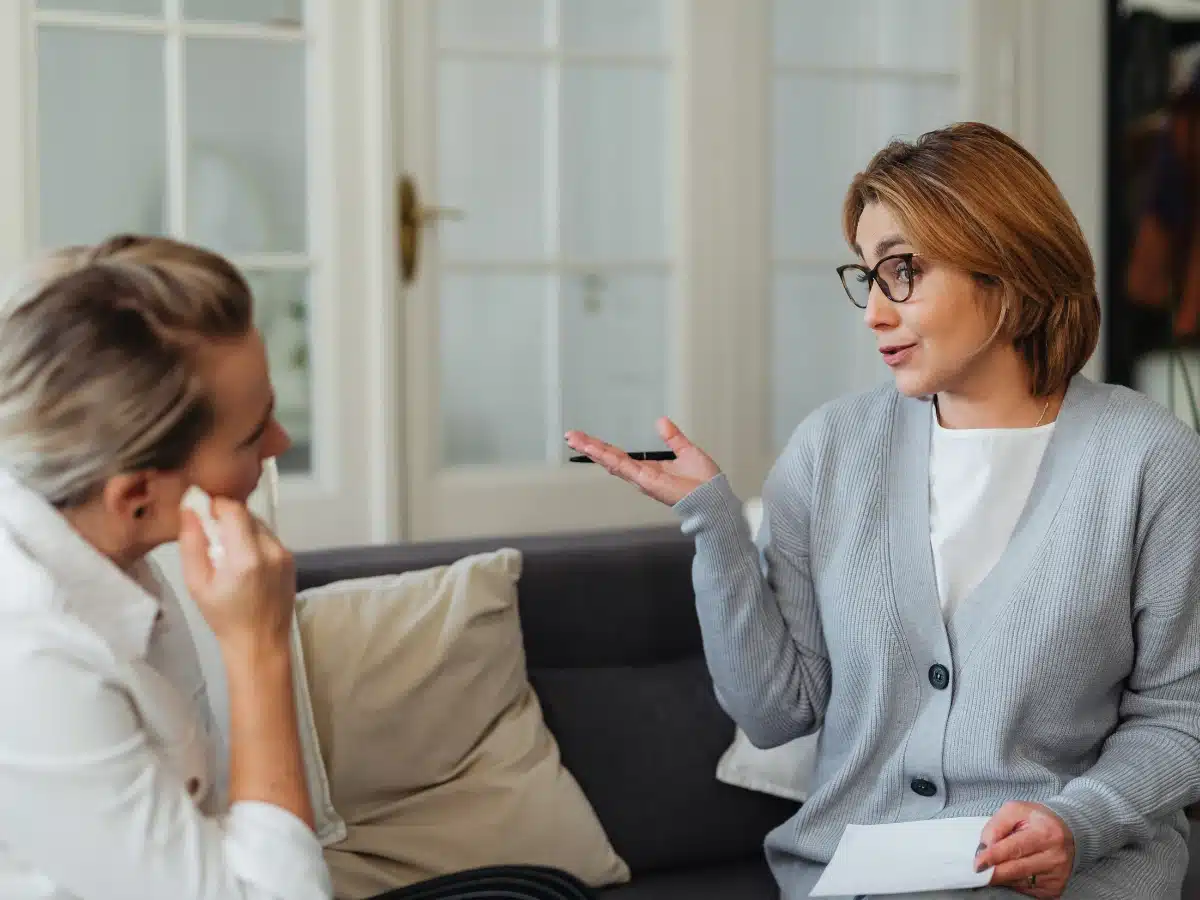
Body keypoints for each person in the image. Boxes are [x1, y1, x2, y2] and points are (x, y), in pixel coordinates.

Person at [566, 121, 1200, 900]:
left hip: (1076, 879)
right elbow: (776, 714)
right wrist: (713, 521)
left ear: (1006, 266)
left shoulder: (1148, 458)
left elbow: (1182, 713)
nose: (873, 311)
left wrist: (1081, 821)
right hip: (860, 880)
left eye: (902, 271)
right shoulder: (832, 449)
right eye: (867, 276)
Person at [0, 235, 595, 900]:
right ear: (137, 497)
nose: (281, 443)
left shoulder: (107, 550)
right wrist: (260, 649)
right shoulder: (33, 665)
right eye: (253, 437)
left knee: (540, 892)